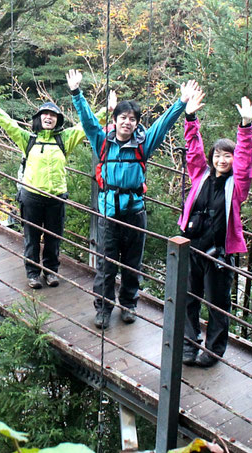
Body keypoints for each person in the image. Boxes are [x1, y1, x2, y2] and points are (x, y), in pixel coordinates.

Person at [67, 69, 193, 329]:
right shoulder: (102, 141)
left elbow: (163, 125)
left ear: (136, 123)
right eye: (123, 117)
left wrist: (180, 103)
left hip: (135, 211)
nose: (127, 122)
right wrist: (76, 93)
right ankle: (103, 309)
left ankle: (128, 305)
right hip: (109, 212)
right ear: (115, 120)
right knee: (106, 264)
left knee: (132, 263)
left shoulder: (142, 144)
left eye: (132, 119)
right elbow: (88, 120)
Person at [0, 85, 107, 290]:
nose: (48, 117)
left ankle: (51, 272)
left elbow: (87, 125)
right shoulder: (28, 139)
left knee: (54, 238)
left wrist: (109, 110)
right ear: (39, 118)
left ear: (57, 120)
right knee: (32, 239)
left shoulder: (66, 139)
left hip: (56, 198)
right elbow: (7, 123)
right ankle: (33, 273)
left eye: (53, 115)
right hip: (31, 197)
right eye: (45, 113)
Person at [177, 83, 252, 368]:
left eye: (227, 156)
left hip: (220, 252)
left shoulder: (238, 185)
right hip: (192, 245)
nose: (221, 160)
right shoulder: (200, 175)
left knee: (217, 304)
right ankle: (188, 343)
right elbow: (193, 149)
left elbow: (246, 163)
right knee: (188, 298)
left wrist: (245, 127)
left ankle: (213, 350)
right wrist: (190, 119)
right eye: (218, 155)